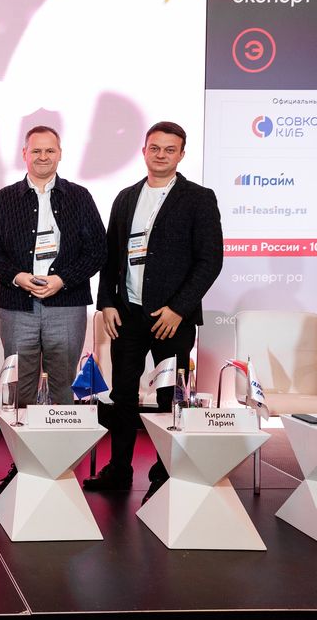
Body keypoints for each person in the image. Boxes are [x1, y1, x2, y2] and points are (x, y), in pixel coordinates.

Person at [83, 121, 222, 504]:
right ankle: (119, 469)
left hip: (171, 320)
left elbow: (210, 261)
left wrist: (179, 309)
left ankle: (165, 473)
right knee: (122, 397)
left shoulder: (199, 198)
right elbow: (110, 256)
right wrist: (107, 302)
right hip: (127, 314)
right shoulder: (126, 197)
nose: (161, 155)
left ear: (181, 154)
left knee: (168, 399)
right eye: (155, 148)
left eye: (169, 149)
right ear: (144, 151)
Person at [0, 125, 106, 498]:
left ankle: (61, 469)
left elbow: (97, 250)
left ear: (60, 153)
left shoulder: (80, 197)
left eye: (50, 150)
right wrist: (18, 277)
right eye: (36, 151)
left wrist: (63, 279)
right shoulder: (5, 199)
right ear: (25, 154)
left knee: (63, 385)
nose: (43, 157)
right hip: (18, 305)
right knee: (21, 387)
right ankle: (23, 466)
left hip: (66, 303)